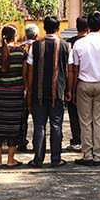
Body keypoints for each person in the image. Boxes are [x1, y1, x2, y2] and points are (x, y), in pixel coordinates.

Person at [71, 10, 100, 166]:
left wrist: (73, 89)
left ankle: (87, 155)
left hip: (83, 83)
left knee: (85, 122)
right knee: (98, 121)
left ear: (88, 26)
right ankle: (98, 155)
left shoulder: (79, 43)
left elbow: (75, 69)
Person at [27, 15, 72, 168]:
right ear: (58, 29)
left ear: (44, 29)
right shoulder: (66, 46)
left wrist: (29, 91)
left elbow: (30, 71)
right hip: (57, 91)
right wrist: (68, 89)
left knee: (39, 125)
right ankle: (56, 158)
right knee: (56, 125)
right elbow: (69, 70)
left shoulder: (35, 46)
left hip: (38, 92)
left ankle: (38, 159)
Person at [0, 24, 27, 167]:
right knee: (13, 126)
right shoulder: (21, 52)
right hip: (16, 95)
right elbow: (24, 74)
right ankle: (11, 160)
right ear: (15, 37)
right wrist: (24, 88)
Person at [65, 16, 89, 152]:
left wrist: (69, 89)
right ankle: (88, 141)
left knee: (74, 113)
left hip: (73, 81)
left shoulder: (70, 43)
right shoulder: (91, 43)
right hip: (88, 80)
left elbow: (69, 67)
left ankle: (77, 141)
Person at [18, 23, 40, 152]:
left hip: (22, 86)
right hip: (37, 85)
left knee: (22, 117)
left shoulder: (20, 48)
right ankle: (37, 142)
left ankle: (21, 141)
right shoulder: (39, 47)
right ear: (37, 35)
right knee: (38, 118)